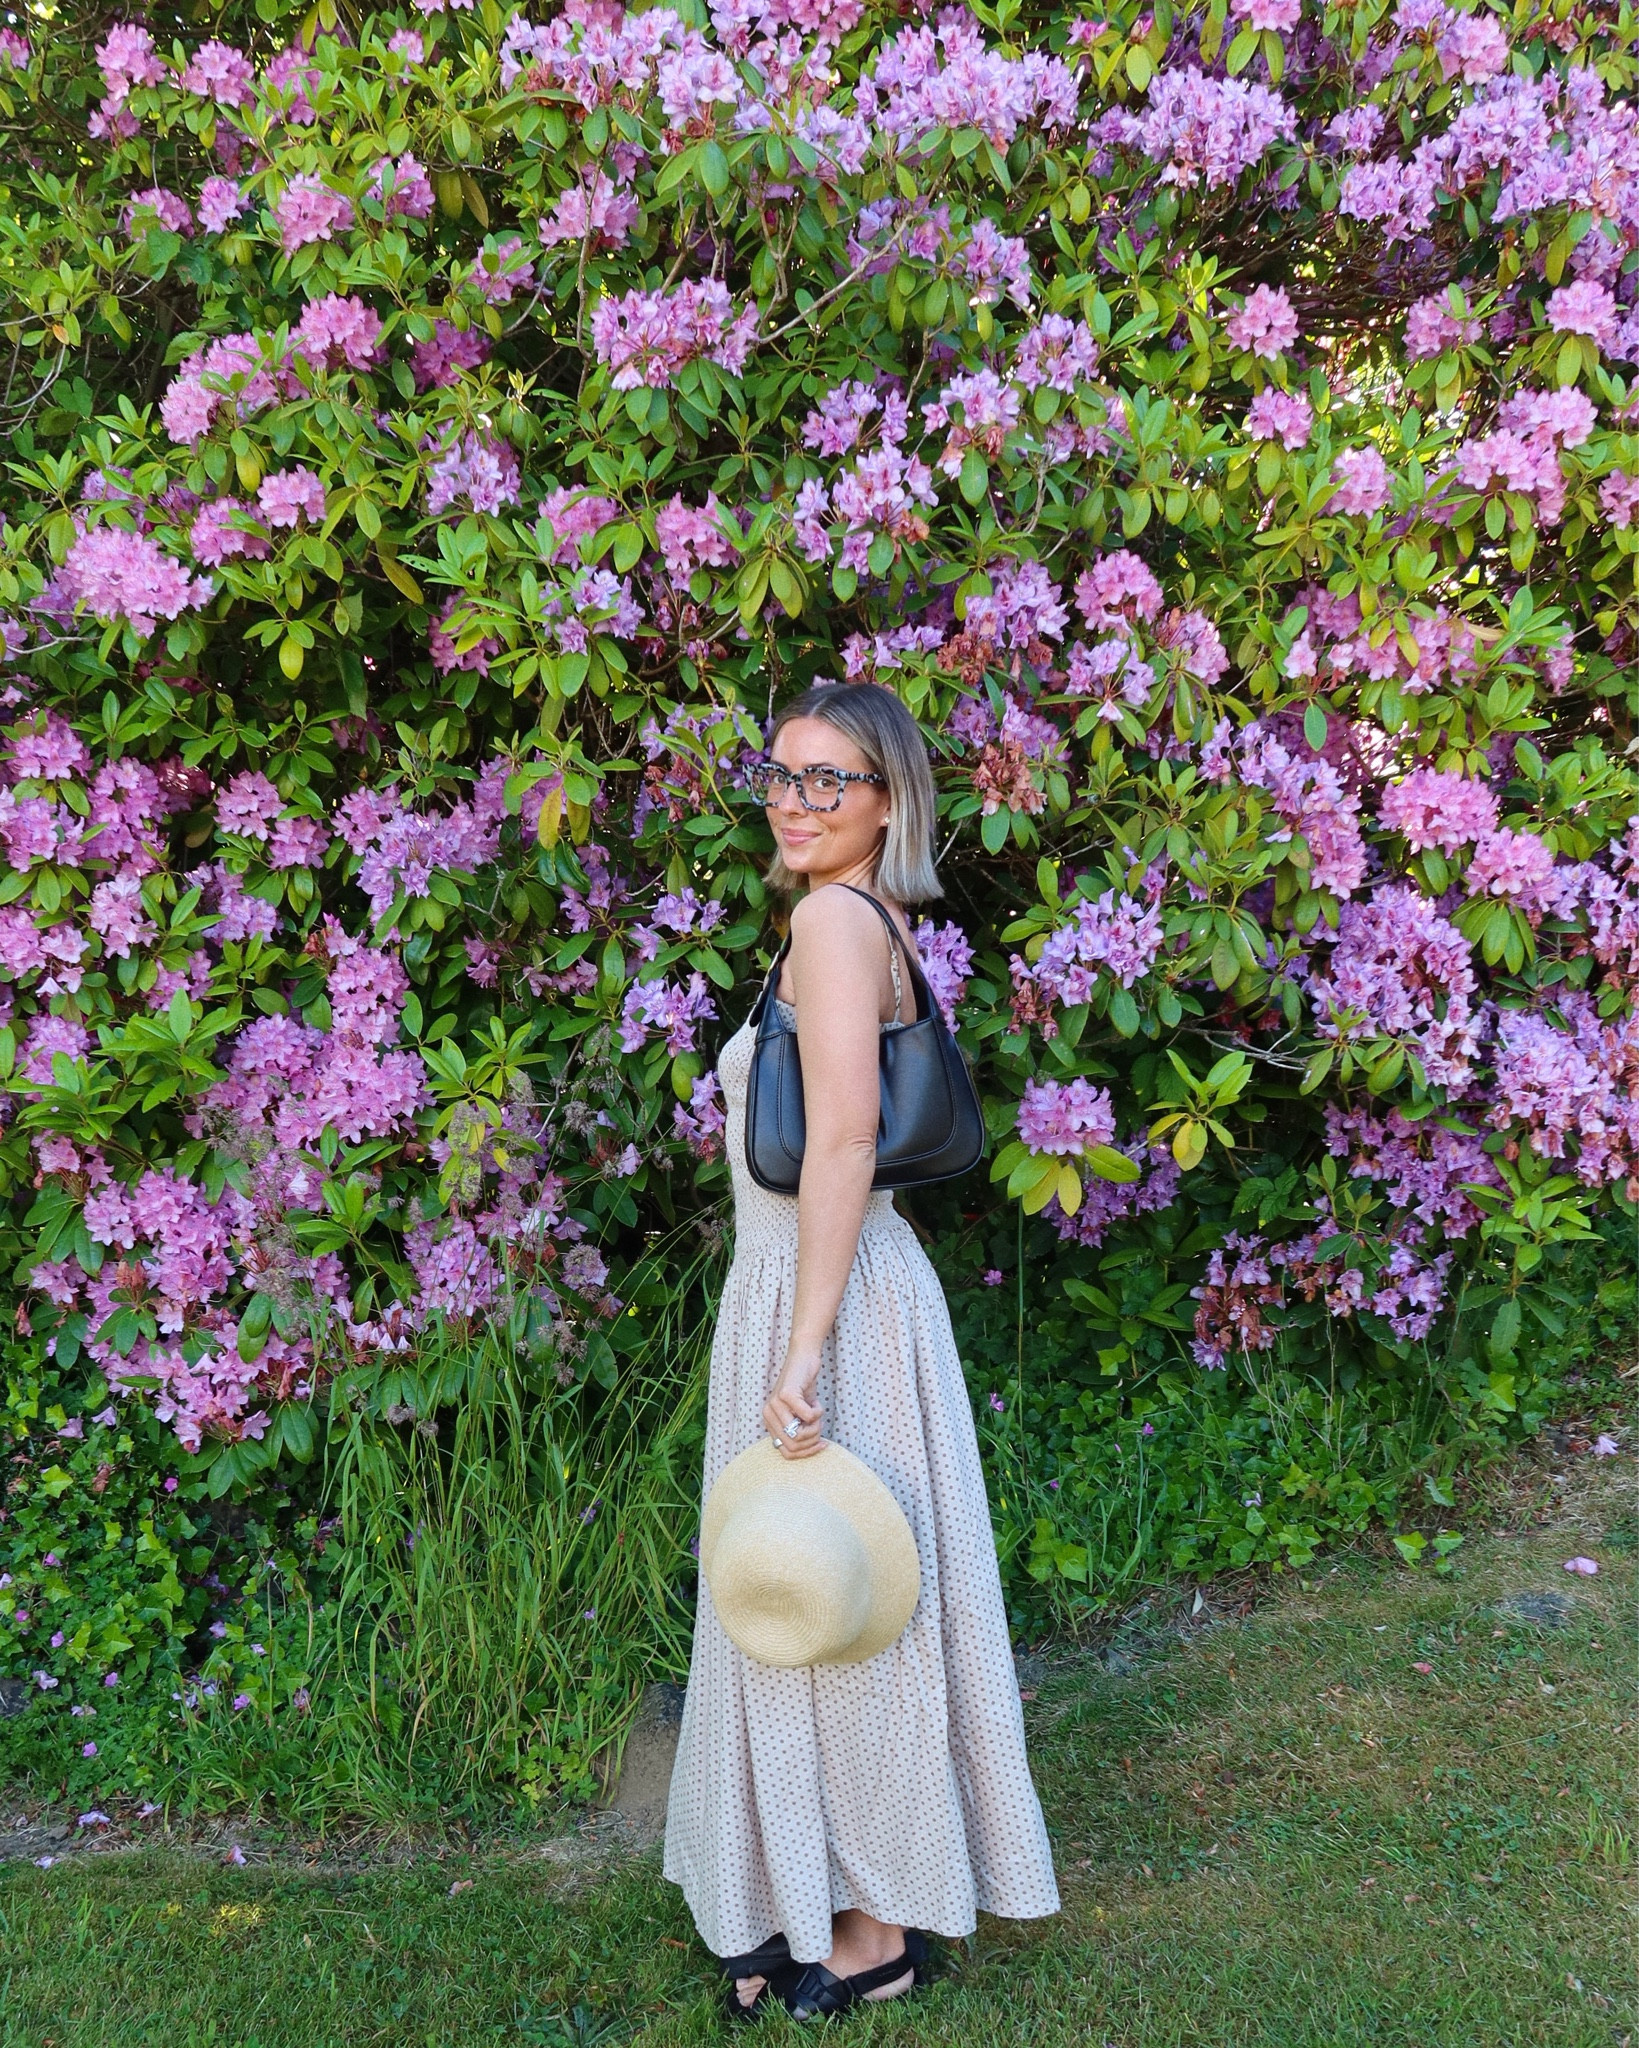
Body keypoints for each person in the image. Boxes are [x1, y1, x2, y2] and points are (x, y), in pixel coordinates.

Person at [663, 681, 1060, 2022]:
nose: (796, 799)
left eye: (831, 779)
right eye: (781, 773)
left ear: (887, 801)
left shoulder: (838, 920)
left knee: (850, 1617)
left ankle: (880, 1927)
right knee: (820, 1605)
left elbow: (841, 1142)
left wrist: (804, 1343)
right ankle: (815, 1891)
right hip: (828, 1283)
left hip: (825, 1298)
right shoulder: (860, 919)